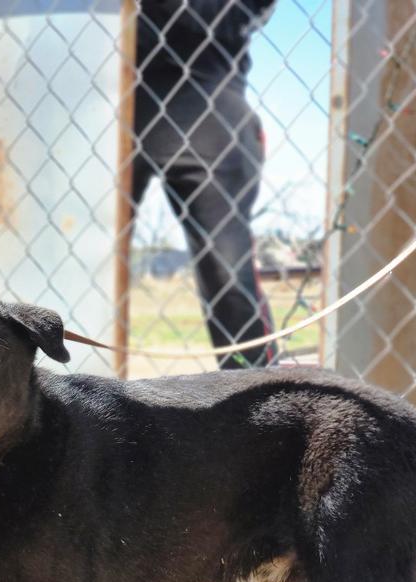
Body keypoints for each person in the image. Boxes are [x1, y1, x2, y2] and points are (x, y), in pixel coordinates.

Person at [133, 0, 276, 367]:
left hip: (209, 95)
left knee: (228, 273)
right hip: (114, 90)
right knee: (80, 254)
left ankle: (260, 390)